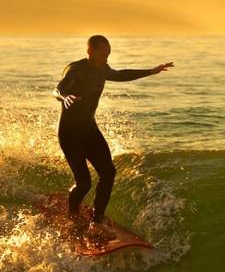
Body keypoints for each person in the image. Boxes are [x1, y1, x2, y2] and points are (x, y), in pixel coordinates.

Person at [53, 35, 174, 234]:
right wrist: (64, 96)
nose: (106, 57)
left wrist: (151, 71)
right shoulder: (75, 70)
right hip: (70, 133)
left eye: (108, 53)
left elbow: (120, 74)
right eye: (102, 53)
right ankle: (72, 214)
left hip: (89, 130)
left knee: (108, 173)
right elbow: (58, 88)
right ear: (90, 51)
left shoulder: (102, 69)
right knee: (84, 183)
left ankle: (97, 220)